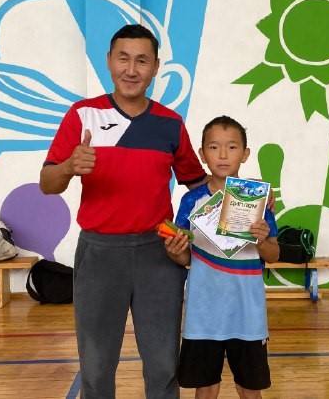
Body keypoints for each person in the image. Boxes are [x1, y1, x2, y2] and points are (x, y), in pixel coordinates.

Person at [39, 24, 208, 398]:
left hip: (159, 254)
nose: (131, 70)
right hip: (99, 255)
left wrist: (248, 198)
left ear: (156, 67)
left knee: (164, 365)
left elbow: (199, 186)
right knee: (97, 366)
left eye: (142, 61)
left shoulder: (170, 123)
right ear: (109, 61)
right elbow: (47, 183)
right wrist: (68, 167)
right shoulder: (82, 115)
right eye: (123, 58)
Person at [164, 116, 280, 399]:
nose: (224, 155)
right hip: (203, 312)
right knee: (205, 387)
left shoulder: (258, 199)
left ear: (245, 153)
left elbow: (274, 254)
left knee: (249, 388)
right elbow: (186, 257)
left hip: (248, 313)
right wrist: (175, 251)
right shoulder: (191, 201)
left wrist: (261, 240)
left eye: (232, 147)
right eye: (214, 147)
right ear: (202, 154)